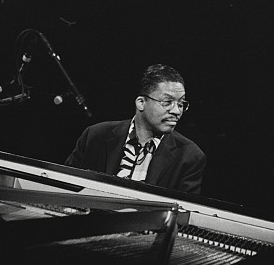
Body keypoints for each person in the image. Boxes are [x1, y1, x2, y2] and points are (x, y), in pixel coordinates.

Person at [65, 64, 205, 194]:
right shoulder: (96, 136)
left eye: (181, 104)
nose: (176, 111)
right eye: (167, 102)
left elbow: (182, 215)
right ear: (141, 103)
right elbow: (65, 187)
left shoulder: (189, 156)